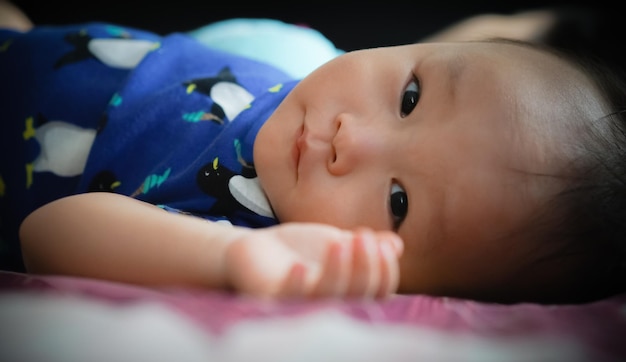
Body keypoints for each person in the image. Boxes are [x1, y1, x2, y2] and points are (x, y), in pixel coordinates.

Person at [1, 1, 624, 304]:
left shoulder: (251, 233)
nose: (354, 140)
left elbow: (49, 232)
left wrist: (234, 255)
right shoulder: (308, 83)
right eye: (410, 96)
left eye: (399, 201)